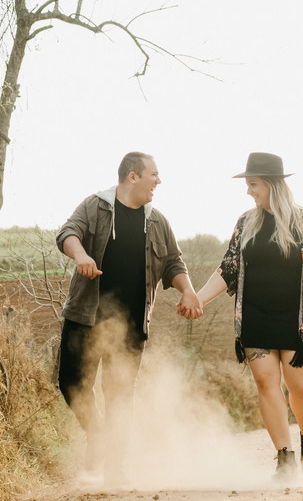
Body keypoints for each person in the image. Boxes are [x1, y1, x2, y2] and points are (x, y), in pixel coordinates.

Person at [55, 151, 203, 482]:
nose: (159, 181)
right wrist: (81, 255)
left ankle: (115, 468)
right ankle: (96, 433)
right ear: (132, 176)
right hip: (86, 315)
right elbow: (68, 233)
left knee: (120, 395)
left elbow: (174, 262)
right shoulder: (95, 206)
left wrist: (188, 290)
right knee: (70, 382)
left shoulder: (157, 221)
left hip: (132, 324)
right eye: (154, 174)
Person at [194, 152, 303, 480]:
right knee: (265, 381)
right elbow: (229, 267)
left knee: (300, 387)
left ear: (272, 184)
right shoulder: (247, 222)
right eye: (248, 185)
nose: (249, 191)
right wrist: (198, 298)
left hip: (297, 319)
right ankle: (284, 458)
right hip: (256, 316)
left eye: (253, 184)